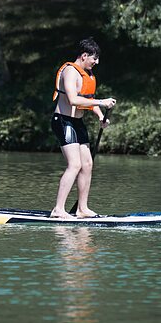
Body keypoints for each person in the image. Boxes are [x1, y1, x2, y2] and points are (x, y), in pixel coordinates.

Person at [50, 37, 116, 219]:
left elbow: (87, 100)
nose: (96, 62)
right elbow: (73, 99)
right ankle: (58, 210)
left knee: (87, 164)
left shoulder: (88, 75)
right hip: (63, 121)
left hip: (77, 123)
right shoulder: (71, 71)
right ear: (84, 55)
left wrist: (101, 115)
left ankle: (82, 209)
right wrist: (102, 102)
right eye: (94, 58)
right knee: (75, 164)